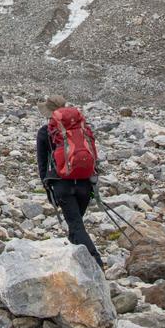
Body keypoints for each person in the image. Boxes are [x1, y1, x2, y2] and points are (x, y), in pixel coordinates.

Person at [36, 95, 105, 269]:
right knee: (76, 224)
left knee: (75, 225)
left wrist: (48, 188)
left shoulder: (45, 132)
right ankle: (75, 262)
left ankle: (96, 263)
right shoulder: (82, 129)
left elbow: (42, 165)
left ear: (49, 112)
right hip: (85, 183)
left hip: (62, 185)